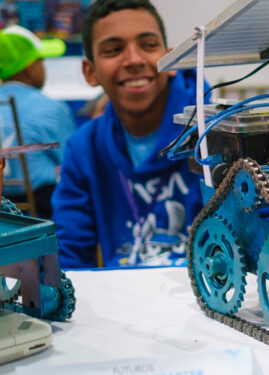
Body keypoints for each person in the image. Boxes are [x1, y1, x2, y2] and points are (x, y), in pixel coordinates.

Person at [52, 0, 207, 268]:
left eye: (148, 46)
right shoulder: (83, 149)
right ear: (91, 72)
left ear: (171, 61)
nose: (134, 60)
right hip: (122, 302)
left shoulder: (216, 136)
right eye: (113, 50)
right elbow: (68, 259)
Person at [0, 25, 76, 218]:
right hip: (42, 212)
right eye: (41, 60)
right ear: (29, 66)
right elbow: (74, 165)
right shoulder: (49, 108)